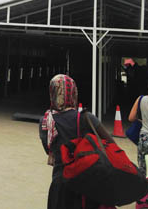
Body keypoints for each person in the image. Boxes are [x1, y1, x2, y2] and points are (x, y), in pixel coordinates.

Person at [39, 74, 114, 209]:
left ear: (52, 93)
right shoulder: (86, 118)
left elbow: (48, 150)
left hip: (59, 185)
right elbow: (110, 144)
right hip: (86, 183)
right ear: (73, 92)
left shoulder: (46, 121)